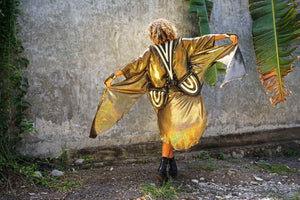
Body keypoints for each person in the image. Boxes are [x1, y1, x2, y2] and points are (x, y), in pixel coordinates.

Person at [90, 19, 246, 182]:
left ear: (153, 35)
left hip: (165, 98)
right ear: (170, 31)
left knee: (168, 131)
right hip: (178, 95)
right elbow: (206, 40)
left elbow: (134, 66)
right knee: (169, 131)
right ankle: (171, 165)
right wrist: (226, 36)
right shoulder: (180, 45)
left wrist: (114, 76)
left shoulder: (152, 52)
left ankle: (163, 167)